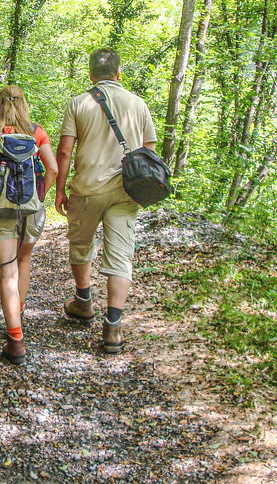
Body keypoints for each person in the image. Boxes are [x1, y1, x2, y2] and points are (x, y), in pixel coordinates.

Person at [55, 49, 157, 354]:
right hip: (126, 191)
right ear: (119, 73)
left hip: (87, 188)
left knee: (81, 245)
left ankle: (84, 302)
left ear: (90, 74)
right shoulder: (138, 104)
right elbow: (149, 151)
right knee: (121, 256)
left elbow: (64, 152)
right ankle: (113, 327)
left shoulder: (79, 103)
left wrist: (59, 191)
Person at [0, 86, 57, 365]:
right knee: (24, 260)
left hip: (2, 208)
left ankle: (16, 340)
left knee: (6, 271)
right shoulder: (37, 131)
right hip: (32, 207)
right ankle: (17, 313)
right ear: (23, 104)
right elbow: (54, 169)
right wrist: (41, 193)